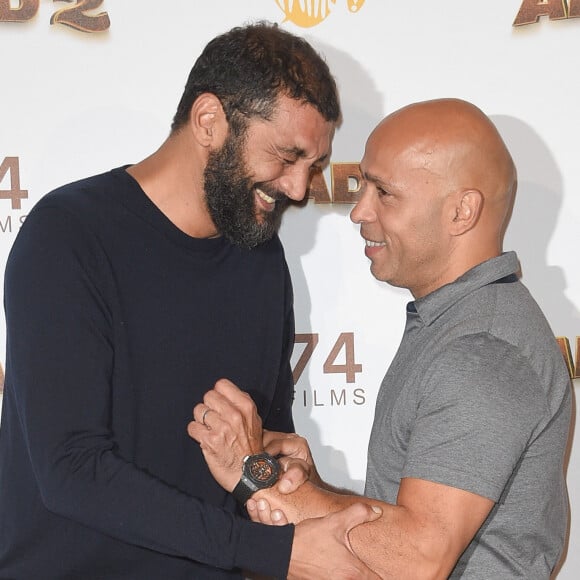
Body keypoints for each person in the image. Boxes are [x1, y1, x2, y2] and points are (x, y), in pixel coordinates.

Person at [0, 21, 381, 580]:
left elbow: (259, 445)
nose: (299, 189)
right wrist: (275, 555)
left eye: (314, 167)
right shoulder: (70, 236)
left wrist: (275, 469)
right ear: (209, 121)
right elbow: (72, 470)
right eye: (287, 156)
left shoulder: (260, 259)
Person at [189, 98, 573, 578]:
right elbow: (411, 526)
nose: (359, 211)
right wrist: (316, 492)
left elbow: (418, 559)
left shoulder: (481, 351)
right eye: (361, 185)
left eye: (384, 193)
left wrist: (255, 474)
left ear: (462, 211)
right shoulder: (455, 325)